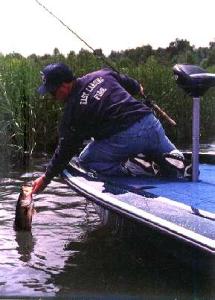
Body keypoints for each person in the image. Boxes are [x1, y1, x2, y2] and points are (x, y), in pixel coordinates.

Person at [32, 63, 187, 194]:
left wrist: (46, 178)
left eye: (52, 92)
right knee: (176, 165)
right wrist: (138, 87)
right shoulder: (103, 74)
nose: (52, 96)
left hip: (128, 137)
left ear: (64, 86)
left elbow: (66, 150)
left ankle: (132, 167)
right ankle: (174, 162)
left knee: (86, 159)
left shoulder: (72, 112)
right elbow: (135, 86)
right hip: (152, 124)